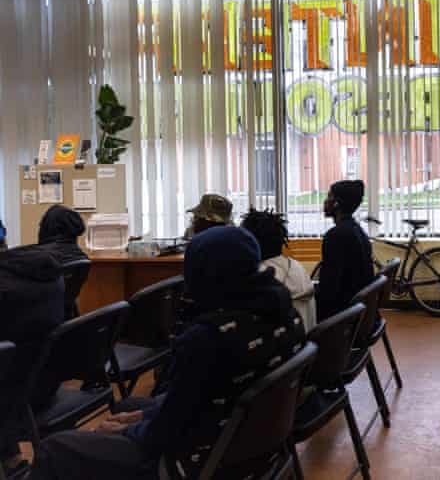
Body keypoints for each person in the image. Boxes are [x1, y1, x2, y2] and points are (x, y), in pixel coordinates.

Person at [30, 226, 306, 480]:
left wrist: (128, 429)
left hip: (194, 462)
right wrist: (141, 416)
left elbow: (162, 433)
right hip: (251, 450)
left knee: (54, 449)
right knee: (128, 406)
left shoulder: (208, 339)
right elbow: (196, 398)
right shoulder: (286, 315)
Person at [0, 246, 64, 478]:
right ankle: (11, 458)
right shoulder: (51, 275)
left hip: (15, 399)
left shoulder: (5, 289)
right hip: (45, 382)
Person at [241, 207, 315, 328]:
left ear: (250, 241)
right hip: (304, 337)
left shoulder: (260, 276)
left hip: (284, 338)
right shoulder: (296, 266)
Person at [315, 180, 373, 322]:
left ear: (336, 203)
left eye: (329, 196)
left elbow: (329, 289)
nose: (325, 201)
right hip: (360, 312)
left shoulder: (335, 236)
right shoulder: (357, 230)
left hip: (343, 317)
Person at [36, 205, 89, 319]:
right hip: (66, 317)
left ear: (47, 227)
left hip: (40, 319)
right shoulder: (81, 257)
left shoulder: (40, 259)